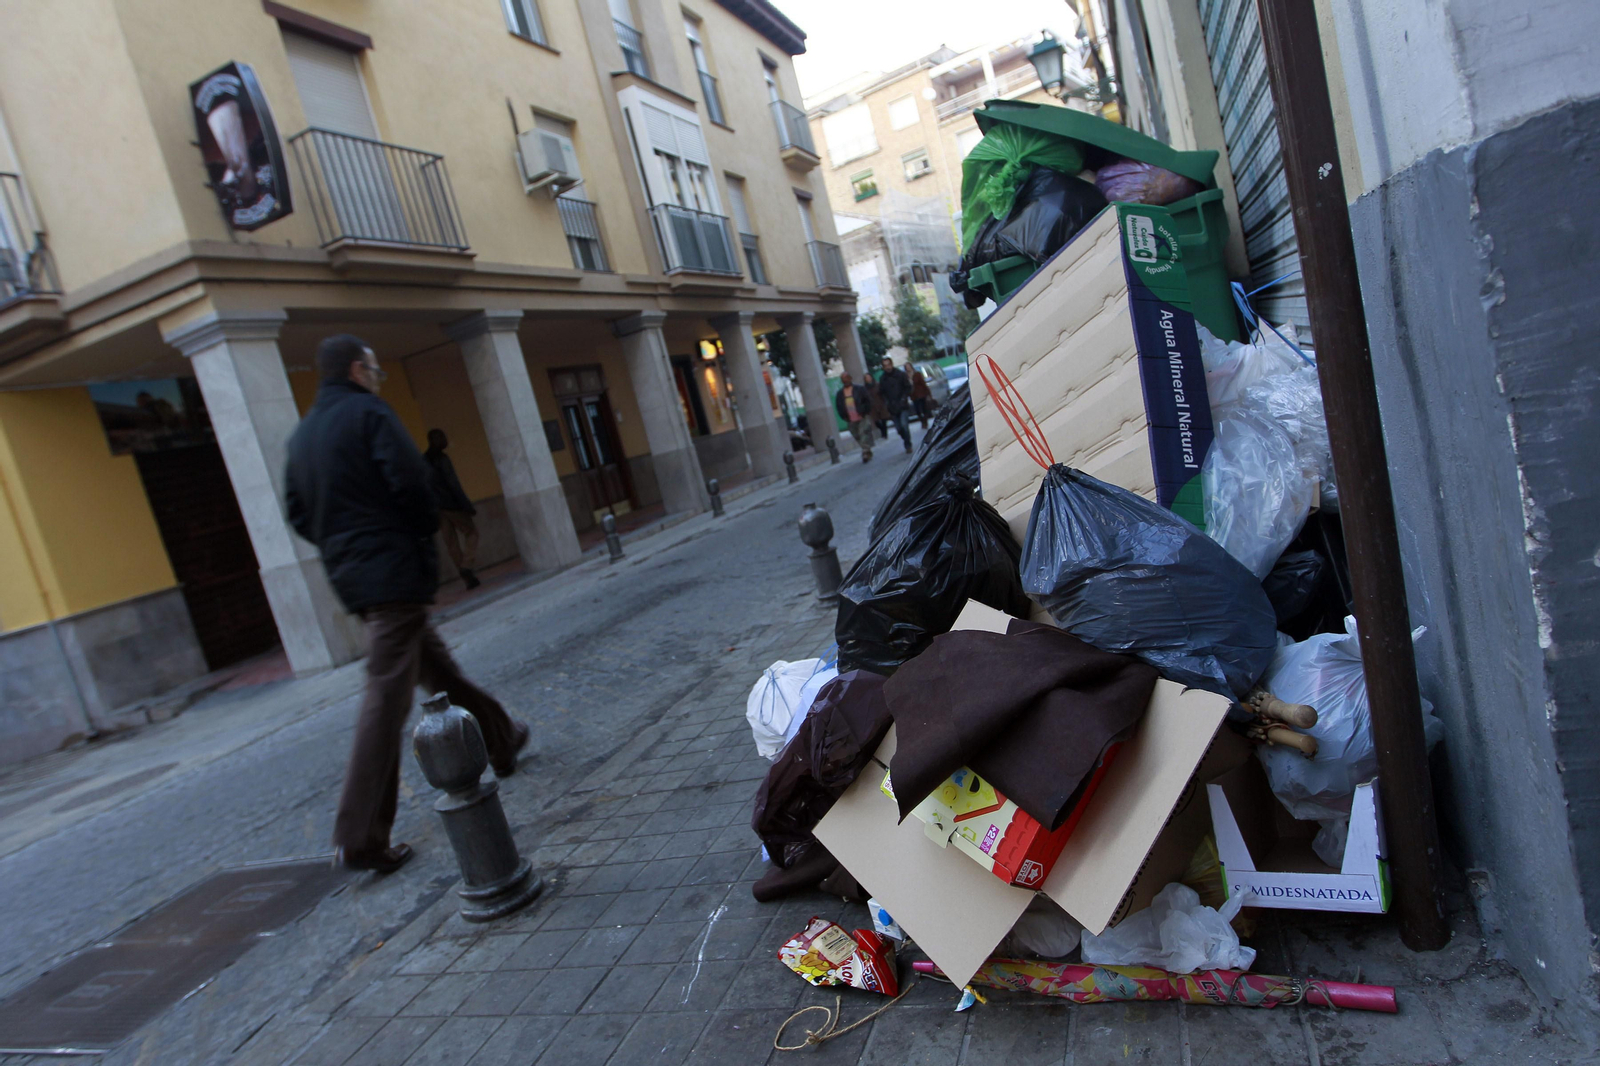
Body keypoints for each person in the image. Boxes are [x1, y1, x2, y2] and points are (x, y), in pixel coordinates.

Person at [285, 335, 531, 875]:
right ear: (356, 369)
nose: (377, 377)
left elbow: (297, 513)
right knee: (385, 699)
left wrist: (343, 542)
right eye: (374, 368)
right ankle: (359, 836)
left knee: (440, 671)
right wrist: (413, 535)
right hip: (391, 571)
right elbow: (413, 486)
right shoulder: (370, 414)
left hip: (354, 574)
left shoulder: (304, 436)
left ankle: (501, 735)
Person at [423, 429, 480, 590]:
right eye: (442, 437)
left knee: (451, 544)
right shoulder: (442, 459)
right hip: (451, 504)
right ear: (434, 439)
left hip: (436, 508)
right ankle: (467, 566)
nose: (446, 440)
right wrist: (466, 505)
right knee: (472, 533)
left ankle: (468, 578)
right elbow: (453, 484)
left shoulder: (423, 461)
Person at [876, 356, 914, 453]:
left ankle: (908, 444)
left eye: (889, 365)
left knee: (904, 425)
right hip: (892, 407)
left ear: (892, 364)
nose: (887, 367)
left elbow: (908, 387)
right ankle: (905, 439)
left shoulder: (900, 375)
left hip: (902, 404)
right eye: (885, 366)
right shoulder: (883, 379)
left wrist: (904, 398)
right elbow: (881, 392)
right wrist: (886, 402)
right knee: (899, 428)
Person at [835, 371, 875, 463]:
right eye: (843, 379)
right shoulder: (840, 394)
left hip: (861, 416)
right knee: (856, 435)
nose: (845, 381)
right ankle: (867, 450)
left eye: (847, 378)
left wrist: (865, 411)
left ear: (850, 378)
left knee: (863, 433)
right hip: (850, 418)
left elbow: (867, 400)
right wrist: (843, 416)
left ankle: (865, 452)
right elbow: (839, 406)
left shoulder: (859, 389)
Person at [909, 361, 933, 428]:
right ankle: (922, 421)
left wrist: (928, 393)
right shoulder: (905, 376)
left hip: (921, 394)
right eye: (906, 367)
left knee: (923, 408)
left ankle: (925, 421)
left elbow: (923, 383)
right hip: (913, 396)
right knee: (917, 410)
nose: (908, 368)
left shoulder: (917, 374)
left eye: (909, 367)